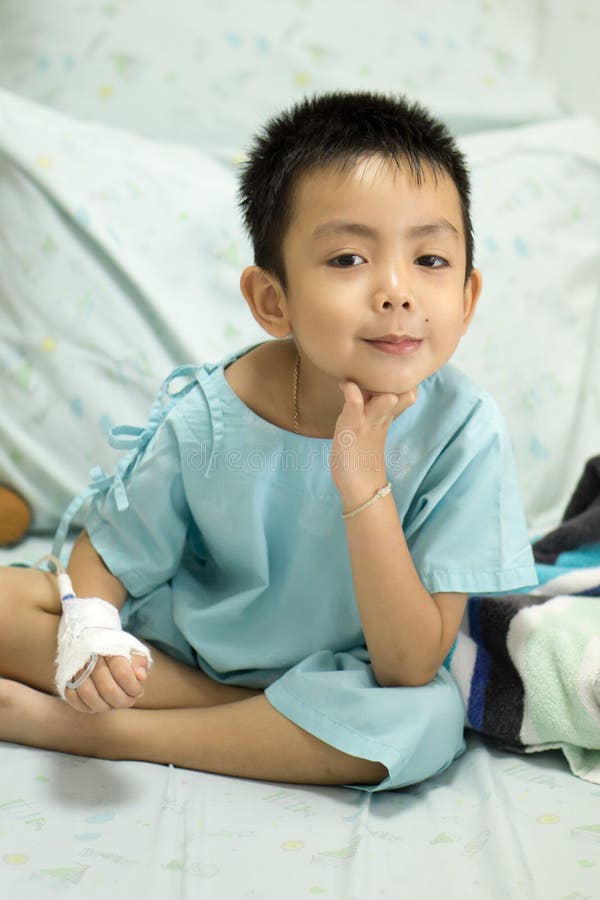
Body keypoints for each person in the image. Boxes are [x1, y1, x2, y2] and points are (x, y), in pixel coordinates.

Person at [0, 91, 537, 791]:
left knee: (422, 723)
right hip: (177, 651)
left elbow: (407, 665)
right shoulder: (213, 412)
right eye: (348, 258)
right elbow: (112, 552)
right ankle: (253, 721)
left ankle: (92, 730)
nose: (397, 291)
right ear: (271, 302)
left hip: (349, 676)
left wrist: (362, 483)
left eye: (430, 260)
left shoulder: (465, 432)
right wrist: (93, 629)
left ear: (467, 299)